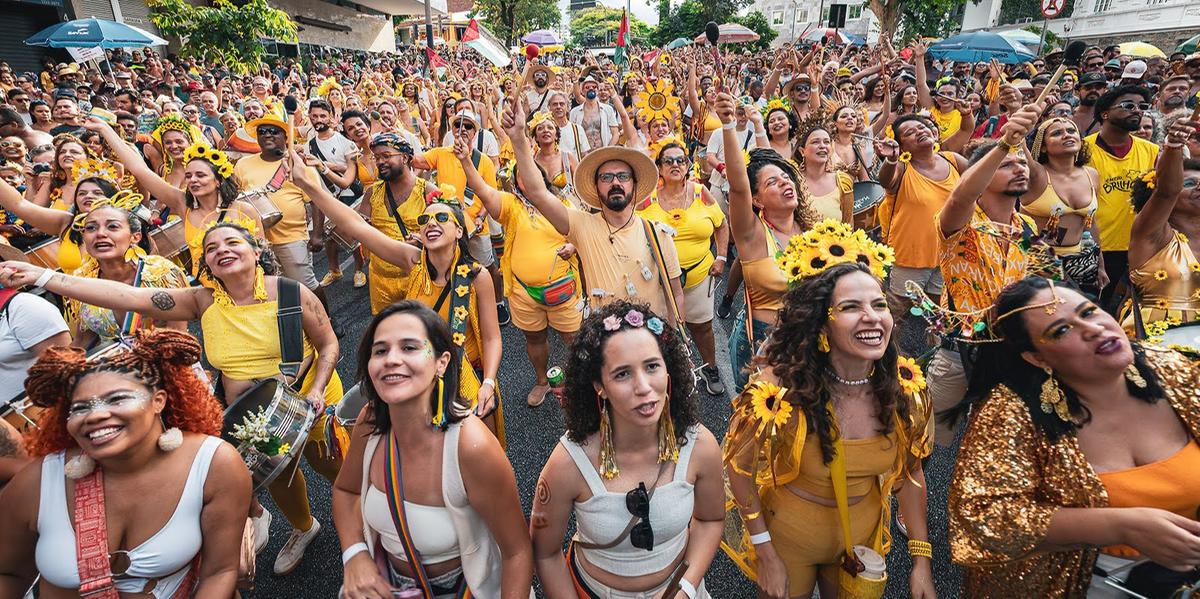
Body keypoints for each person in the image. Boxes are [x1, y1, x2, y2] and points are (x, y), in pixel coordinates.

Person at [0, 220, 345, 576]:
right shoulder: (202, 301)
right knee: (280, 474)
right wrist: (41, 277)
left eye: (232, 242)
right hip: (250, 414)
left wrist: (317, 388)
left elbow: (328, 343)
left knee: (330, 465)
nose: (221, 250)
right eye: (211, 248)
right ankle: (304, 528)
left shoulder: (291, 293)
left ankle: (361, 508)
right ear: (206, 264)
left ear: (256, 251)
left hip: (308, 398)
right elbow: (127, 296)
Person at [947, 277, 1200, 599]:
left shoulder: (1172, 369)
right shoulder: (1011, 411)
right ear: (1037, 358)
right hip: (1072, 584)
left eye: (1089, 312)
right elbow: (985, 514)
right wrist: (1121, 526)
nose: (1092, 329)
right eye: (1061, 330)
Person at [723, 259, 935, 599]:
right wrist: (766, 554)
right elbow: (739, 469)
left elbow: (911, 475)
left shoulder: (906, 391)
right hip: (790, 538)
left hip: (860, 543)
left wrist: (921, 561)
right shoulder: (777, 392)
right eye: (851, 307)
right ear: (822, 324)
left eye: (879, 304)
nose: (872, 316)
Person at [0, 329, 252, 598]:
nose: (95, 415)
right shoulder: (38, 482)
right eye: (80, 408)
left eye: (117, 398)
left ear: (159, 401)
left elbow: (220, 572)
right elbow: (9, 573)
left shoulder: (214, 464)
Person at [289, 156, 506, 441]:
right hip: (418, 377)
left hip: (467, 381)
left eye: (442, 218)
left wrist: (488, 383)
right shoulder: (413, 262)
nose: (431, 223)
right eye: (425, 219)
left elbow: (491, 338)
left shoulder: (477, 277)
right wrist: (310, 185)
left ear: (459, 231)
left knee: (474, 455)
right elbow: (357, 226)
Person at [332, 301, 534, 599]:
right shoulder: (370, 420)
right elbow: (346, 491)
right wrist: (355, 554)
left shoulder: (470, 445)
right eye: (380, 350)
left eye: (410, 348)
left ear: (441, 362)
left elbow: (517, 552)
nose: (391, 359)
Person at [530, 300, 724, 598]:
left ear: (668, 370)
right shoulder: (569, 462)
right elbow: (545, 553)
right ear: (599, 386)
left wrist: (685, 587)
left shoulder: (700, 446)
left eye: (652, 366)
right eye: (622, 374)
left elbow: (711, 520)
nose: (644, 386)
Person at [924, 101, 1045, 447]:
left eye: (1021, 162)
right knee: (930, 443)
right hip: (958, 352)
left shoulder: (1027, 226)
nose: (1018, 168)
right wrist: (1003, 143)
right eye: (1006, 165)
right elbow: (963, 193)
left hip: (1011, 350)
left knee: (997, 443)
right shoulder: (960, 222)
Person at [503, 95, 685, 325]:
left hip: (650, 346)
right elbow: (538, 193)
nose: (616, 183)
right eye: (606, 177)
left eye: (623, 176)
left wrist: (673, 342)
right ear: (596, 188)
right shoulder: (582, 225)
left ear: (634, 185)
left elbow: (676, 294)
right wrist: (519, 139)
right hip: (603, 349)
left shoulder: (658, 233)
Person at [457, 131, 582, 408]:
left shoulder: (563, 203)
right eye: (521, 175)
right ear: (515, 183)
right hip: (524, 293)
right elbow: (484, 190)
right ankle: (542, 381)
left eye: (532, 173)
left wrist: (573, 248)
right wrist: (467, 162)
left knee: (574, 339)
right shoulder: (511, 205)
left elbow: (582, 237)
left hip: (564, 288)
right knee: (534, 339)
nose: (528, 179)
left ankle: (579, 382)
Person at [717, 92, 816, 391]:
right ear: (757, 200)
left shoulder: (814, 231)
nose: (785, 182)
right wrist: (728, 125)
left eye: (786, 178)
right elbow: (738, 184)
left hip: (811, 337)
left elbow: (772, 162)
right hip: (763, 343)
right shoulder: (753, 234)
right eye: (773, 182)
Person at [84, 117, 264, 276]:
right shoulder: (183, 205)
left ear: (218, 180)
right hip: (208, 296)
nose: (193, 180)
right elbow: (139, 169)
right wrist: (105, 130)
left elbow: (263, 255)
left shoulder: (244, 209)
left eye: (200, 175)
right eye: (189, 176)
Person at [638, 141, 728, 396]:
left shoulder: (701, 192)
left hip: (699, 276)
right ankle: (672, 376)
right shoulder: (647, 201)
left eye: (680, 160)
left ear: (688, 166)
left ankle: (710, 367)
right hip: (661, 283)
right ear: (659, 168)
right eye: (669, 161)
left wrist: (721, 257)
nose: (675, 165)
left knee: (702, 327)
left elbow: (721, 225)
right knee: (664, 330)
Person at [63, 193, 189, 348]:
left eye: (113, 226)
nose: (100, 233)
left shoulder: (161, 273)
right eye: (91, 228)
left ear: (135, 237)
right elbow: (84, 341)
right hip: (115, 368)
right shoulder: (83, 280)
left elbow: (179, 338)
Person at [874, 114, 967, 313]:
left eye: (922, 127)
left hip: (948, 254)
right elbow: (885, 181)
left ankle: (934, 343)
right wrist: (891, 159)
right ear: (902, 146)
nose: (920, 131)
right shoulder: (901, 168)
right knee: (900, 311)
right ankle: (891, 342)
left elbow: (979, 184)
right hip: (911, 257)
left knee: (937, 311)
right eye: (909, 132)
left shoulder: (953, 160)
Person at [1085, 86, 1160, 306]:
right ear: (1105, 113)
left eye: (1142, 107)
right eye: (1129, 105)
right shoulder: (1083, 148)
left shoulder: (1151, 151)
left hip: (1138, 247)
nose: (1137, 111)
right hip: (1096, 248)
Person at [1125, 117, 1200, 329]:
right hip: (1157, 347)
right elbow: (1167, 192)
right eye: (1189, 183)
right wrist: (1174, 145)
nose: (1199, 187)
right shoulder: (1150, 235)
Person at [1023, 117, 1106, 295]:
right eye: (1057, 133)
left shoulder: (1091, 175)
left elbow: (1090, 224)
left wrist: (1100, 264)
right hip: (1039, 264)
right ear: (1043, 146)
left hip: (1083, 264)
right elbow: (1017, 143)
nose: (1066, 135)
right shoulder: (1036, 175)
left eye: (1071, 131)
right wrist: (1017, 113)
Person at [304, 98, 366, 289]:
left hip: (347, 194)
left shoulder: (346, 142)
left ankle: (358, 270)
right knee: (329, 236)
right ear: (310, 118)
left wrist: (325, 166)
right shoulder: (309, 145)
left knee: (353, 234)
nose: (319, 119)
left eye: (323, 115)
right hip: (325, 196)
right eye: (314, 116)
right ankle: (334, 270)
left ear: (331, 117)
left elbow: (352, 170)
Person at [796, 121, 854, 224]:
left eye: (826, 142)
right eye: (815, 142)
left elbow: (849, 225)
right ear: (802, 151)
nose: (822, 146)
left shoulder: (842, 181)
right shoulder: (794, 182)